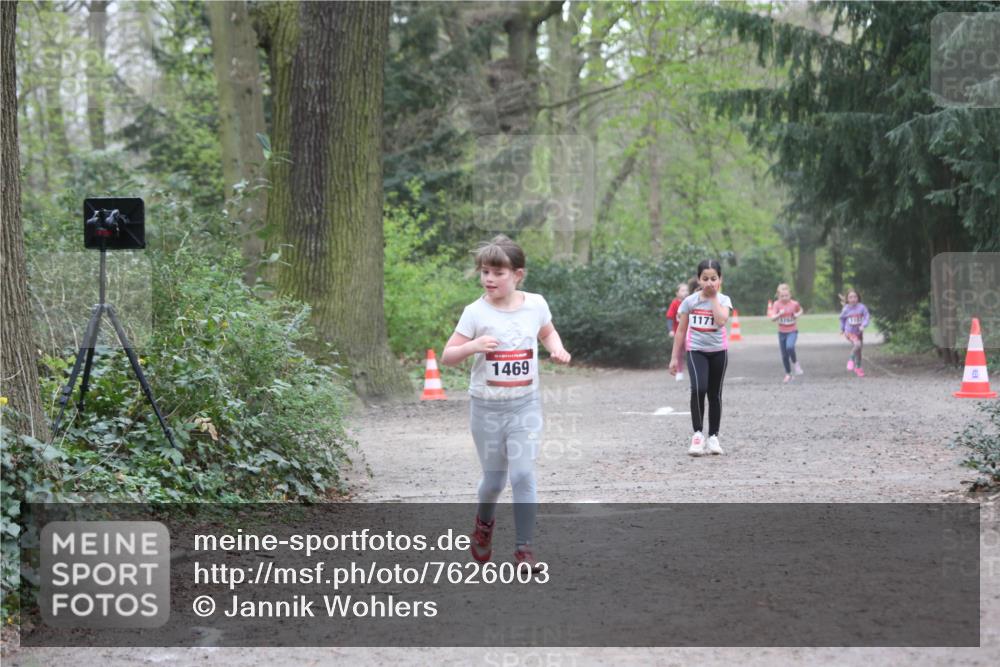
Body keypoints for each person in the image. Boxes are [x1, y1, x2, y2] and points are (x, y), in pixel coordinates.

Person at [442, 235, 571, 571]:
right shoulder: (475, 312)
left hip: (524, 405)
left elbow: (547, 331)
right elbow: (448, 356)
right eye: (485, 271)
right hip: (486, 407)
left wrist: (556, 348)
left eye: (498, 273)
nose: (489, 279)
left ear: (518, 275)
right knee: (495, 482)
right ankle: (483, 526)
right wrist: (474, 346)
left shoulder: (536, 304)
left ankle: (524, 548)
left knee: (524, 473)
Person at [668, 259, 732, 457]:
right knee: (699, 388)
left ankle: (713, 436)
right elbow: (680, 331)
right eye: (705, 279)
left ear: (720, 279)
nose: (710, 282)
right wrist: (674, 358)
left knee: (715, 394)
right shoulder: (690, 302)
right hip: (696, 351)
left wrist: (712, 298)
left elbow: (721, 321)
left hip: (719, 352)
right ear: (699, 279)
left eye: (714, 278)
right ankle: (697, 435)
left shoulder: (724, 300)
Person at [770, 283, 804, 383]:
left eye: (786, 295)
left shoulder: (794, 304)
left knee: (790, 347)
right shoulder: (776, 304)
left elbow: (800, 310)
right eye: (782, 296)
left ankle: (795, 363)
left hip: (792, 331)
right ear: (778, 296)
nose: (784, 298)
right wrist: (778, 315)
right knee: (784, 355)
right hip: (781, 333)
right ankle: (788, 374)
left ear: (790, 295)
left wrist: (796, 315)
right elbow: (772, 318)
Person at [839, 288, 870, 377]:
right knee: (857, 345)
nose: (853, 299)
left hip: (859, 333)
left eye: (855, 297)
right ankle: (851, 359)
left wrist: (863, 325)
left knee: (859, 351)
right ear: (847, 299)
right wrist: (842, 329)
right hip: (849, 332)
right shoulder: (846, 309)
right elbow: (842, 318)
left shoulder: (862, 307)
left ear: (858, 298)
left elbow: (867, 316)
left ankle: (858, 367)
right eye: (850, 297)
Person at [665, 282, 690, 381]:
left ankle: (694, 369)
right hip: (679, 333)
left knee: (691, 351)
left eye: (687, 290)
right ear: (677, 293)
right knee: (678, 353)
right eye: (682, 290)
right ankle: (679, 371)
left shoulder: (690, 302)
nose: (685, 292)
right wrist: (670, 330)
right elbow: (670, 317)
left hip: (690, 333)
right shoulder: (675, 303)